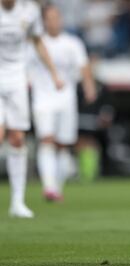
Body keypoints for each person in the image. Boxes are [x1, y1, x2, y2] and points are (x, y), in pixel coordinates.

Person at [0, 0, 63, 218]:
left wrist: (54, 73)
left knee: (17, 138)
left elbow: (38, 42)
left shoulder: (30, 11)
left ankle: (17, 202)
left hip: (16, 80)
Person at [28, 4, 97, 201]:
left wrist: (89, 86)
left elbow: (83, 66)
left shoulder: (72, 43)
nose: (54, 21)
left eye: (57, 17)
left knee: (63, 144)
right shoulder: (36, 42)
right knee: (46, 140)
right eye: (50, 17)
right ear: (43, 21)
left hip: (66, 99)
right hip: (42, 98)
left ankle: (56, 188)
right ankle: (48, 186)